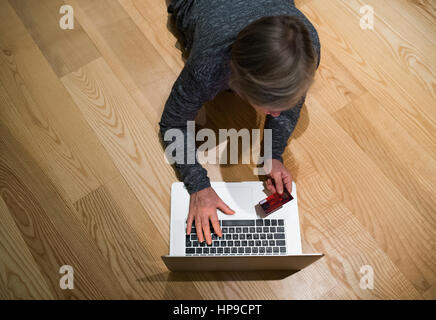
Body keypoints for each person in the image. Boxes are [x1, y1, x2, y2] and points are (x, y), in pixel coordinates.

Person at [160, 0, 320, 246]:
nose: (275, 115)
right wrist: (199, 187)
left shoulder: (307, 44)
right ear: (237, 86)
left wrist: (273, 154)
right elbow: (173, 122)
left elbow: (289, 105)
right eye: (269, 108)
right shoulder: (207, 68)